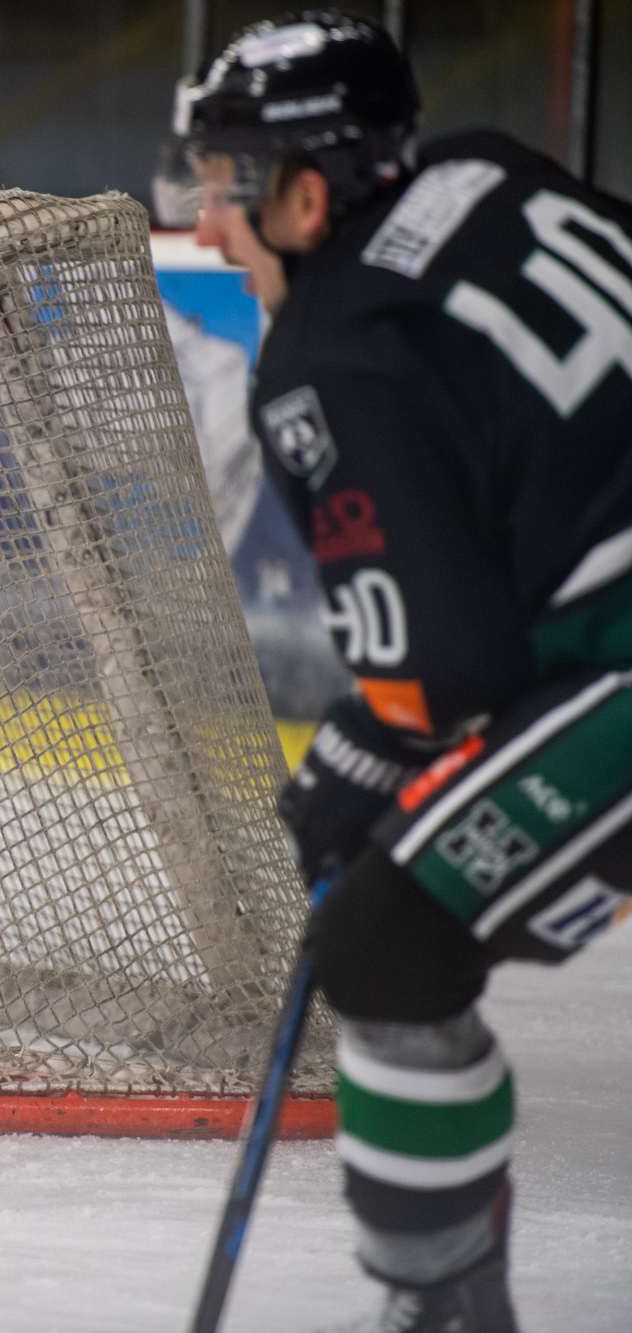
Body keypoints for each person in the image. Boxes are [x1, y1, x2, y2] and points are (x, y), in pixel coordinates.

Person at [179, 12, 632, 1330]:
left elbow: (443, 673)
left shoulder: (335, 352)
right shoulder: (496, 169)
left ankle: (440, 1312)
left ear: (306, 196)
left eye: (226, 189)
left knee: (383, 934)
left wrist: (343, 776)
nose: (209, 226)